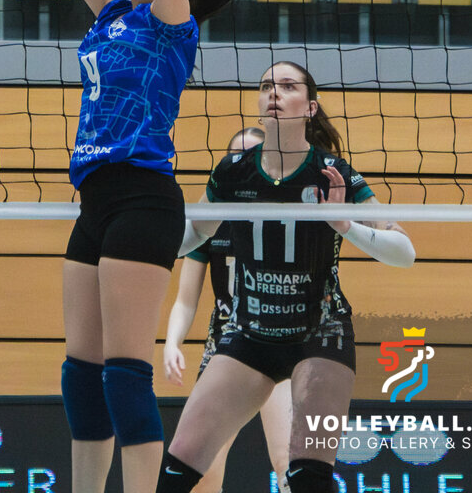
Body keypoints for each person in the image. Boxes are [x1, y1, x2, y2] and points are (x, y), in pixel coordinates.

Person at [44, 0, 239, 493]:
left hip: (144, 200)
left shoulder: (170, 23)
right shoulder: (112, 14)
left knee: (125, 373)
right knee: (81, 372)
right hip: (94, 199)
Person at [158, 61, 416, 493]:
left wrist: (345, 225)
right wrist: (143, 245)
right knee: (179, 465)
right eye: (266, 86)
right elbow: (195, 234)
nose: (274, 93)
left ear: (310, 107)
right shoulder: (232, 171)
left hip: (321, 336)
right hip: (249, 336)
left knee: (306, 475)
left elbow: (405, 254)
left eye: (288, 86)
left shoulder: (334, 172)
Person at [162, 126, 293, 493]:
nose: (244, 161)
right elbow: (185, 299)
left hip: (280, 341)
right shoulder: (211, 219)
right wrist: (172, 342)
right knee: (203, 469)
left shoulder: (291, 214)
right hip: (227, 347)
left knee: (289, 462)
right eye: (237, 155)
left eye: (254, 154)